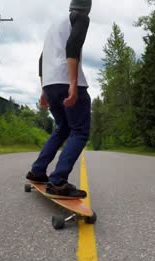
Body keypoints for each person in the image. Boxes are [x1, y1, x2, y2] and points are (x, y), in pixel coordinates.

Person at [26, 0, 92, 199]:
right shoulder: (81, 18)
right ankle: (58, 181)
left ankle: (38, 171)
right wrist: (73, 83)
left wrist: (44, 89)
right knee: (79, 131)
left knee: (62, 128)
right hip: (66, 82)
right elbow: (73, 46)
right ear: (87, 6)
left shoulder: (55, 26)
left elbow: (42, 59)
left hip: (50, 83)